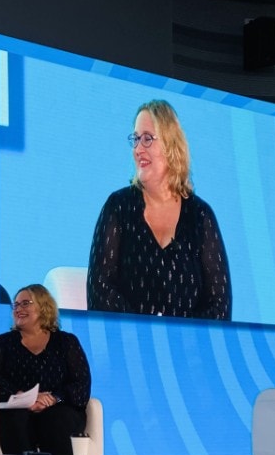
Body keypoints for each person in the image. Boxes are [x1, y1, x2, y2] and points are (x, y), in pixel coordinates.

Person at [87, 99, 232, 320]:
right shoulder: (118, 207)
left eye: (147, 139)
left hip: (188, 351)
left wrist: (181, 338)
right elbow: (99, 290)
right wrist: (146, 332)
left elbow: (219, 305)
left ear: (171, 145)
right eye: (135, 139)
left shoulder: (201, 215)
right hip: (129, 344)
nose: (137, 149)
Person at [0, 283, 91, 455]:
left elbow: (81, 384)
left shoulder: (67, 342)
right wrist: (20, 396)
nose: (18, 309)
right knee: (15, 419)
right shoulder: (2, 344)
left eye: (25, 303)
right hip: (18, 407)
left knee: (58, 420)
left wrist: (54, 398)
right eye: (15, 305)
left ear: (43, 307)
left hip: (58, 408)